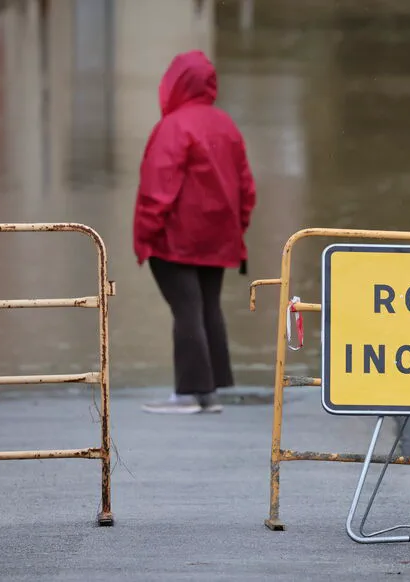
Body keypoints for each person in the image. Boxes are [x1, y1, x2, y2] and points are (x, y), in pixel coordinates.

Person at [133, 50, 257, 415]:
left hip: (175, 239)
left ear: (173, 84)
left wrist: (145, 236)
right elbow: (246, 188)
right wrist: (237, 229)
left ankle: (188, 393)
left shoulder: (173, 126)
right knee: (208, 307)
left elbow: (158, 186)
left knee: (186, 309)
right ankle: (210, 391)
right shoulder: (225, 125)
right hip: (218, 238)